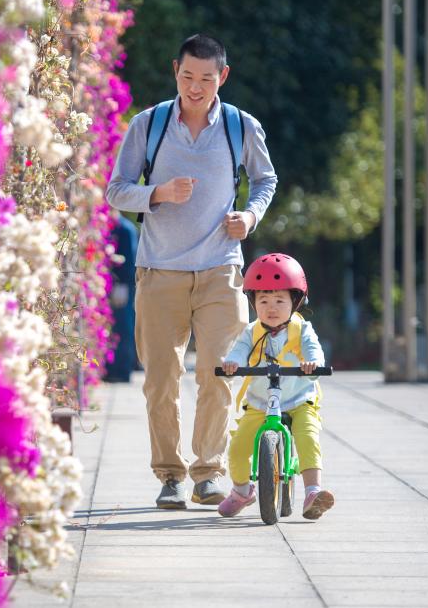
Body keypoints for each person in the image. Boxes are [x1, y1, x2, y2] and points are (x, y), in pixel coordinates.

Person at [105, 34, 278, 509]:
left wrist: (250, 217)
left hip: (222, 270)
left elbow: (265, 179)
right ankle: (170, 475)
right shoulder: (149, 124)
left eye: (206, 78)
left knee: (220, 373)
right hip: (159, 271)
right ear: (175, 72)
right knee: (161, 381)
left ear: (223, 77)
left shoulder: (241, 126)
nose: (195, 87)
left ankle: (208, 472)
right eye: (187, 76)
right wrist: (157, 193)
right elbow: (116, 190)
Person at [219, 253, 335, 520]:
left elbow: (314, 350)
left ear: (295, 301)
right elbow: (239, 351)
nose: (271, 308)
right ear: (253, 303)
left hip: (298, 399)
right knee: (237, 447)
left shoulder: (302, 330)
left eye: (280, 301)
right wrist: (232, 363)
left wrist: (313, 363)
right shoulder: (251, 332)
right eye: (263, 301)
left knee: (307, 436)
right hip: (261, 402)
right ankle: (241, 492)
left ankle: (313, 492)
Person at [104, 213, 138, 383]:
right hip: (113, 285)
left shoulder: (124, 228)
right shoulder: (115, 226)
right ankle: (112, 369)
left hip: (122, 285)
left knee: (123, 327)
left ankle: (123, 370)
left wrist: (123, 284)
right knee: (115, 327)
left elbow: (130, 260)